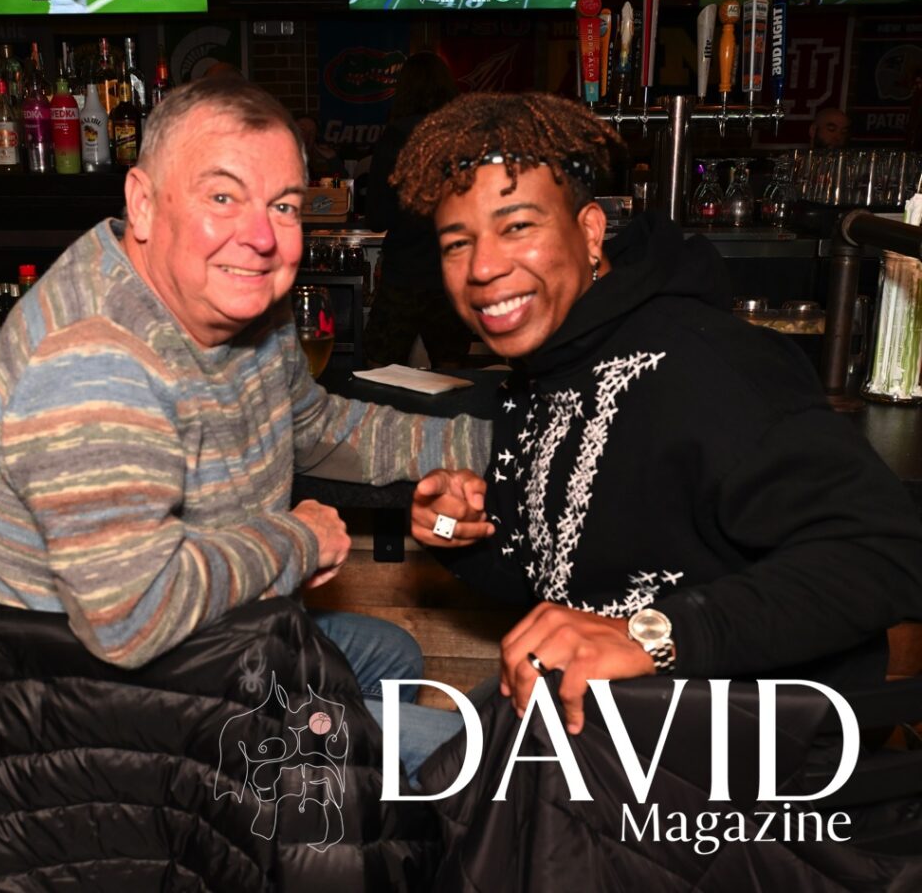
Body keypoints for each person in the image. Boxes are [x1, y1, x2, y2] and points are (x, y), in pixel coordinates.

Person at [0, 77, 489, 773]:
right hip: (89, 720)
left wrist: (500, 444)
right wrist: (298, 539)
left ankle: (328, 818)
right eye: (222, 197)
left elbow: (316, 427)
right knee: (472, 761)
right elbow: (134, 618)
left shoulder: (243, 302)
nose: (261, 237)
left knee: (392, 655)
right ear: (142, 204)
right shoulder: (92, 358)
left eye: (283, 205)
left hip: (208, 646)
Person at [391, 91, 922, 736]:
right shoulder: (540, 373)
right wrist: (458, 536)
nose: (482, 267)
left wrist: (651, 636)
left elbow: (886, 553)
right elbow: (549, 581)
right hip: (611, 734)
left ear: (590, 231)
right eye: (457, 243)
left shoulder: (708, 364)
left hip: (750, 759)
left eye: (517, 227)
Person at [362, 52, 474, 370]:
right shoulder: (463, 139)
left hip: (404, 273)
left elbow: (377, 218)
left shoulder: (395, 137)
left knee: (380, 370)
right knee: (451, 373)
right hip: (451, 274)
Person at [294, 113, 345, 180]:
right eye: (302, 130)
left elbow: (344, 183)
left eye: (311, 133)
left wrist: (332, 159)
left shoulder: (314, 168)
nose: (306, 135)